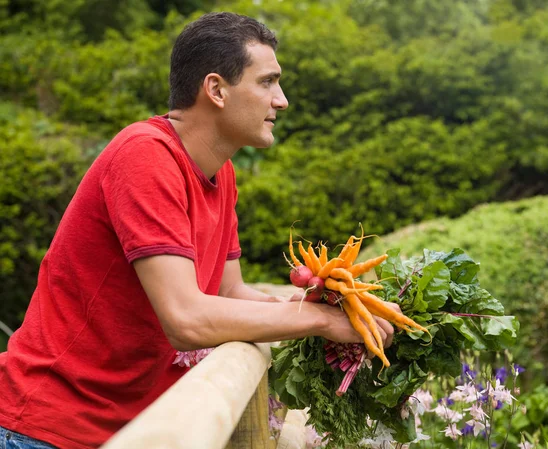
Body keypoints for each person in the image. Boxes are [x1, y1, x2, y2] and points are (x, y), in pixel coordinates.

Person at [0, 12, 397, 449]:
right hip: (44, 428)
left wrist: (326, 305)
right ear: (216, 90)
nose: (281, 100)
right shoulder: (145, 156)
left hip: (133, 429)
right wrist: (319, 321)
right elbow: (186, 318)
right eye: (267, 82)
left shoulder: (221, 174)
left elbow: (229, 293)